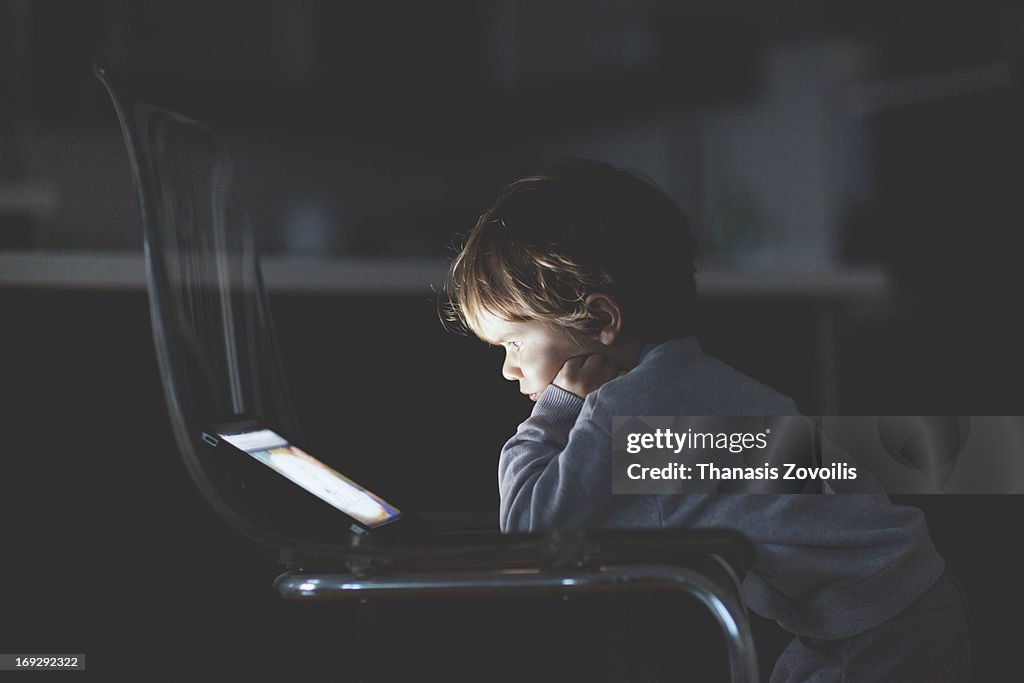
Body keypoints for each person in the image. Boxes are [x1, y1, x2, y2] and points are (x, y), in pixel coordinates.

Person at [441, 158, 971, 682]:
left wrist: (555, 411)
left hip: (877, 632)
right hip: (892, 606)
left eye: (514, 342)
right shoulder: (682, 378)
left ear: (602, 319)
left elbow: (532, 537)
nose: (509, 369)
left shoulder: (631, 410)